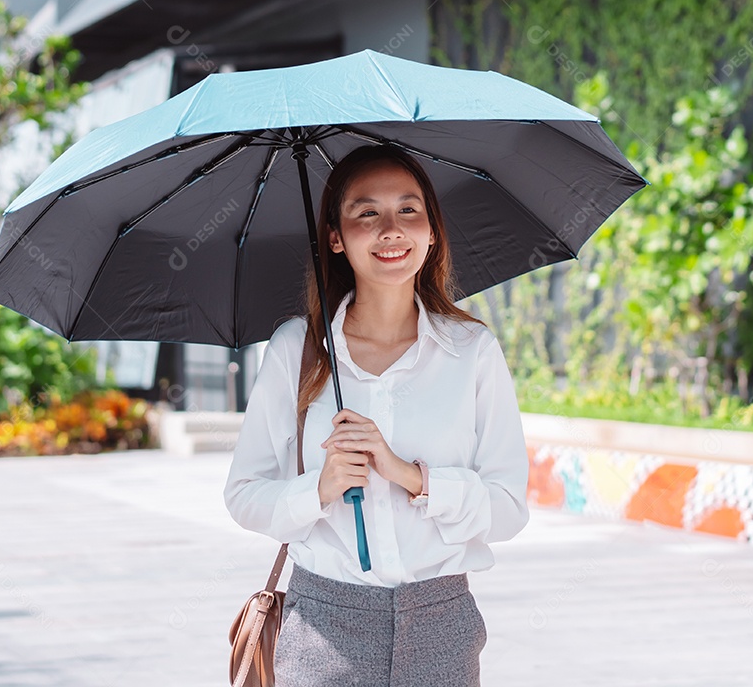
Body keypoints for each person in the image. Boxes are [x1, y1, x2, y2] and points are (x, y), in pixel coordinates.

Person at [223, 143, 531, 687]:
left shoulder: (473, 351)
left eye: (409, 210)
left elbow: (508, 508)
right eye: (367, 212)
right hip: (323, 629)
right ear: (336, 238)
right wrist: (318, 489)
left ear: (433, 231)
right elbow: (244, 493)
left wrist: (411, 476)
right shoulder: (297, 349)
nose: (391, 229)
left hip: (443, 627)